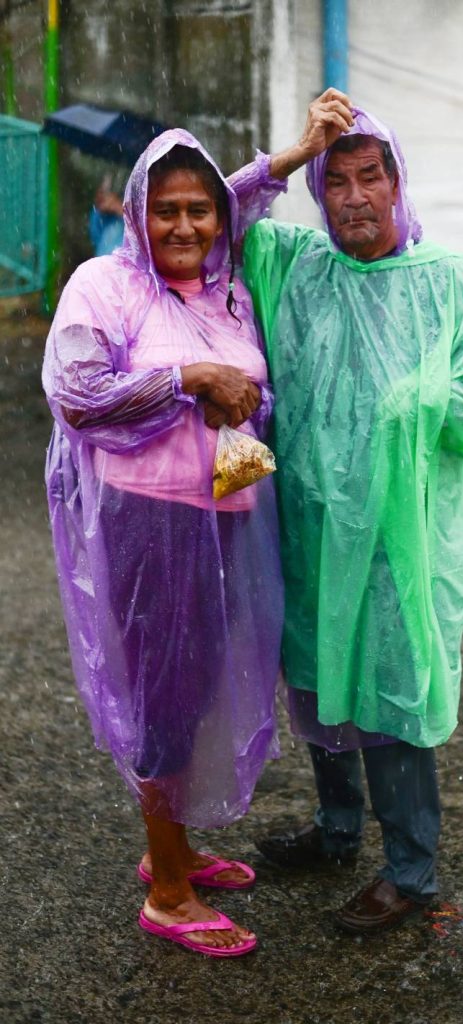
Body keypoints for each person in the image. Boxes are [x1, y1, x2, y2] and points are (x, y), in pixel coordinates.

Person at [42, 92, 355, 957]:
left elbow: (245, 193)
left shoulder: (223, 284)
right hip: (152, 520)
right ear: (137, 213)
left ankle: (172, 844)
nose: (184, 225)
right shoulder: (106, 285)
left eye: (199, 209)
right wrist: (190, 380)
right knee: (165, 696)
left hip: (225, 518)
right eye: (166, 209)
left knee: (200, 681)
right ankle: (169, 888)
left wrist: (295, 154)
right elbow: (76, 396)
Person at [243, 106, 463, 935]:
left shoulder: (442, 279)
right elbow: (213, 221)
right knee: (322, 676)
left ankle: (410, 870)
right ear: (319, 195)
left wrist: (422, 401)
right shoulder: (298, 267)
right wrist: (290, 154)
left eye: (373, 176)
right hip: (315, 528)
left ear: (400, 187)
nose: (355, 196)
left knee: (392, 695)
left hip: (398, 539)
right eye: (338, 179)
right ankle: (336, 831)